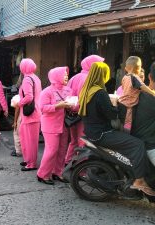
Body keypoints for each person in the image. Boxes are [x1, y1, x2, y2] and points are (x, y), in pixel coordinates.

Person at [78, 61, 155, 196]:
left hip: (92, 131)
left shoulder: (87, 90)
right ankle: (139, 180)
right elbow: (111, 114)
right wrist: (117, 105)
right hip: (103, 133)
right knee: (137, 144)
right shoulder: (100, 93)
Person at [65, 55, 104, 165]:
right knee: (82, 140)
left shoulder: (74, 77)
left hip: (71, 114)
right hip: (82, 114)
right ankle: (81, 167)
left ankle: (68, 161)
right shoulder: (88, 79)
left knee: (73, 140)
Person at [37, 67, 72, 185]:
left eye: (67, 75)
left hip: (64, 124)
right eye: (64, 75)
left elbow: (70, 105)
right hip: (50, 126)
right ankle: (42, 174)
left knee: (62, 150)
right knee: (52, 150)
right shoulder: (47, 91)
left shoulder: (68, 90)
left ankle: (58, 172)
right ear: (56, 76)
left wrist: (73, 105)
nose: (66, 76)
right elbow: (42, 108)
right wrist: (58, 105)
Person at [118, 56, 155, 132]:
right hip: (129, 105)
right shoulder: (134, 77)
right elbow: (143, 86)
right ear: (138, 68)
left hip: (122, 102)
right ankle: (126, 133)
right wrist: (152, 92)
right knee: (128, 122)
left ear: (126, 68)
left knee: (122, 121)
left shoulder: (125, 77)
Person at [18, 58, 42, 171]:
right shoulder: (35, 77)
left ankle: (31, 163)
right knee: (27, 138)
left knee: (30, 141)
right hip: (35, 112)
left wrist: (19, 103)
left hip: (31, 113)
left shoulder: (27, 79)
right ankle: (28, 159)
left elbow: (29, 97)